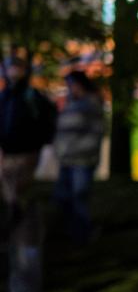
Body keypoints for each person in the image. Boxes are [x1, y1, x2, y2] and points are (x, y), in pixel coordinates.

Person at [0, 54, 56, 292]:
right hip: (12, 161)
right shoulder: (6, 99)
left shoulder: (32, 99)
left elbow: (46, 126)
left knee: (25, 231)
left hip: (27, 159)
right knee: (17, 232)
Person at [51, 69, 104, 243]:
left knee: (79, 197)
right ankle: (70, 232)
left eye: (71, 84)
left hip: (82, 160)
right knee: (63, 196)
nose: (68, 88)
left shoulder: (91, 104)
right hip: (68, 159)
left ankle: (82, 234)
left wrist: (77, 150)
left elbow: (95, 134)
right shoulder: (72, 104)